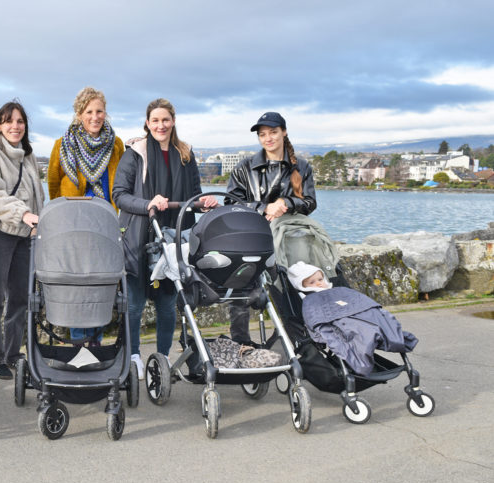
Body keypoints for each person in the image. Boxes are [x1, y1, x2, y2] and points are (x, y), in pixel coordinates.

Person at [113, 98, 218, 380]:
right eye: (155, 120)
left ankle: (162, 358)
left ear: (173, 121)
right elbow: (119, 194)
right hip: (138, 236)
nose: (161, 125)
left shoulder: (185, 153)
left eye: (166, 120)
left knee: (167, 303)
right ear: (147, 123)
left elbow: (194, 194)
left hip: (174, 237)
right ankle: (134, 356)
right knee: (134, 304)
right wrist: (148, 203)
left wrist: (203, 202)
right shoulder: (135, 153)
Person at [226, 111, 316, 344]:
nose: (268, 138)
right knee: (241, 291)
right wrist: (263, 208)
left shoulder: (302, 166)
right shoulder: (244, 167)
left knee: (289, 290)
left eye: (273, 132)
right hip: (252, 237)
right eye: (263, 134)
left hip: (289, 240)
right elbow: (230, 202)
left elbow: (310, 203)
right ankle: (241, 345)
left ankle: (293, 343)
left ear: (284, 133)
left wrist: (286, 203)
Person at [47, 87, 125, 345]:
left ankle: (96, 342)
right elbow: (54, 187)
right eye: (89, 111)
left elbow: (122, 183)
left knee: (100, 285)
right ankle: (79, 344)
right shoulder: (62, 145)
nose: (95, 116)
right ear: (79, 114)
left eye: (99, 111)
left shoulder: (116, 145)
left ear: (106, 113)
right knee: (76, 286)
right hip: (73, 226)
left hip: (104, 226)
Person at [0, 101, 44, 380]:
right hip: (0, 235)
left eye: (19, 121)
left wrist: (39, 219)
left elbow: (37, 192)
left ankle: (13, 353)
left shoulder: (27, 155)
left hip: (26, 235)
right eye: (8, 121)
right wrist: (24, 213)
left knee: (20, 297)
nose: (14, 126)